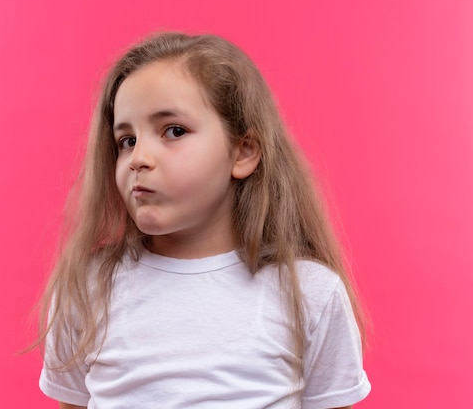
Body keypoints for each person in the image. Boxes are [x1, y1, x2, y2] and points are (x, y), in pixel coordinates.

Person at [36, 32, 371, 408]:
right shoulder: (87, 286)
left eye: (173, 131)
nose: (138, 158)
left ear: (243, 152)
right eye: (126, 140)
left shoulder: (310, 292)